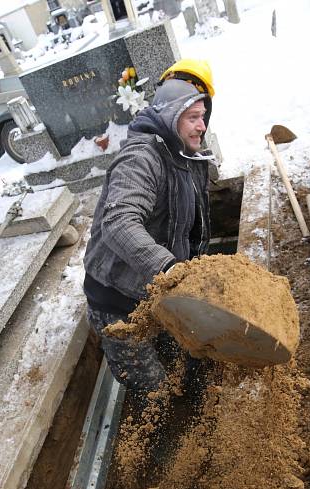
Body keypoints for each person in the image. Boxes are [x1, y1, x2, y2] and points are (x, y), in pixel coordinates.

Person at [83, 60, 215, 392]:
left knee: (177, 351)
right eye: (192, 118)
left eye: (203, 117)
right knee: (149, 384)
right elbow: (119, 221)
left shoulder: (184, 155)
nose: (201, 126)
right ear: (171, 117)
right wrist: (169, 268)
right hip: (118, 301)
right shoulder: (141, 158)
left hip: (157, 290)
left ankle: (183, 388)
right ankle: (156, 421)